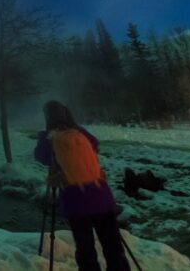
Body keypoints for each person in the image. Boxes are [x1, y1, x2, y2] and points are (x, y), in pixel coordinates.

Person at [34, 100, 130, 271]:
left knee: (85, 248)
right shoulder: (81, 133)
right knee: (112, 245)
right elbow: (96, 145)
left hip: (76, 200)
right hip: (101, 195)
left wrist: (44, 136)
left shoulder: (49, 138)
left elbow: (40, 157)